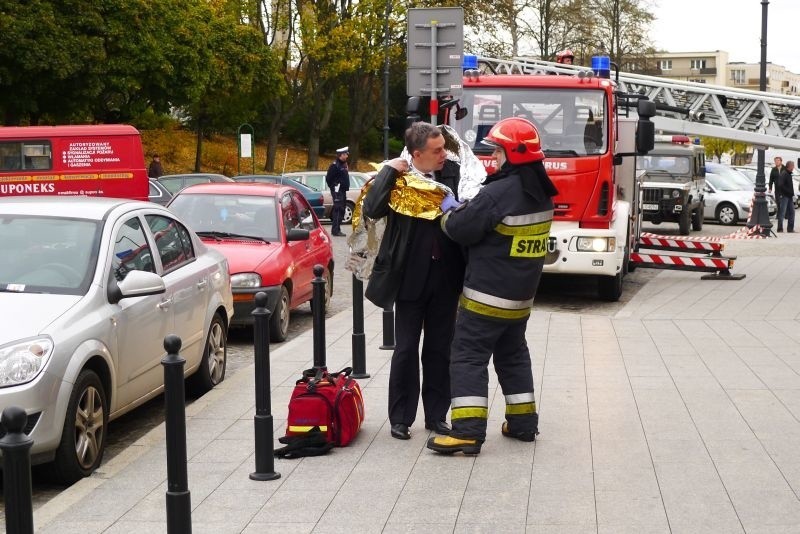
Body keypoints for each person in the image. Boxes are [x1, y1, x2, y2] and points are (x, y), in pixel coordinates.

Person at [426, 117, 558, 456]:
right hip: (521, 299)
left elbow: (461, 229)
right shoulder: (542, 193)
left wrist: (449, 213)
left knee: (467, 356)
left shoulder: (499, 193)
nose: (494, 157)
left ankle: (467, 432)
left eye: (498, 151)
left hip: (486, 297)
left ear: (512, 154)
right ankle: (523, 423)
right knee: (513, 355)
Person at [362, 122, 465, 440]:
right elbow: (372, 209)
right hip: (409, 276)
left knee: (439, 349)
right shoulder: (399, 176)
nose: (443, 154)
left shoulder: (453, 172)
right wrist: (388, 171)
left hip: (445, 275)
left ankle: (437, 415)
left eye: (444, 148)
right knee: (405, 349)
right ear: (417, 154)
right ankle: (400, 418)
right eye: (436, 150)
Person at [325, 147, 350, 236]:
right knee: (338, 209)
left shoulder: (344, 164)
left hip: (342, 190)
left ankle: (337, 229)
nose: (347, 156)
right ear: (341, 155)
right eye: (345, 154)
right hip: (337, 191)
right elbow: (328, 178)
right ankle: (335, 230)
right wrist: (334, 187)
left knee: (342, 209)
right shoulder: (335, 165)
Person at [776, 160, 796, 233]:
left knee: (792, 212)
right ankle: (780, 228)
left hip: (789, 196)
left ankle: (790, 229)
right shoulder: (784, 174)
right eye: (793, 166)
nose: (793, 167)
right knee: (782, 212)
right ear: (789, 166)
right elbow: (780, 185)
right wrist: (788, 191)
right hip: (785, 196)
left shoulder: (788, 174)